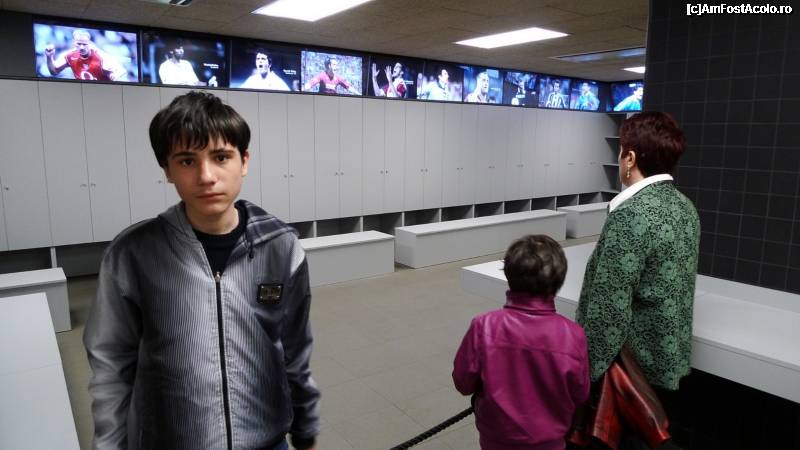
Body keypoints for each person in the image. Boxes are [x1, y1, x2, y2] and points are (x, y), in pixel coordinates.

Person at [83, 92, 319, 450]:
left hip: (267, 440)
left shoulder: (281, 246)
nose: (206, 176)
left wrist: (305, 424)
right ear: (168, 170)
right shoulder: (133, 253)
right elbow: (111, 365)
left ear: (243, 161)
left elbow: (295, 349)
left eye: (221, 157)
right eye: (187, 161)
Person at [575, 112, 699, 449]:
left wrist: (586, 376)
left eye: (621, 151)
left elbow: (608, 307)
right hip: (668, 359)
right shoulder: (685, 207)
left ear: (629, 159)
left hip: (630, 371)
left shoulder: (631, 214)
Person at [454, 235, 590, 450]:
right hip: (550, 442)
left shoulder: (484, 326)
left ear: (509, 274)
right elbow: (580, 394)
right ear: (559, 279)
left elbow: (463, 383)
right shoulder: (573, 335)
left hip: (496, 439)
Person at [44, 29, 128, 81]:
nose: (81, 47)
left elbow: (121, 72)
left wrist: (114, 76)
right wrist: (49, 57)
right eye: (79, 44)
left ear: (90, 43)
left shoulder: (102, 57)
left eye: (84, 44)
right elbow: (53, 71)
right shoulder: (69, 56)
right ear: (74, 43)